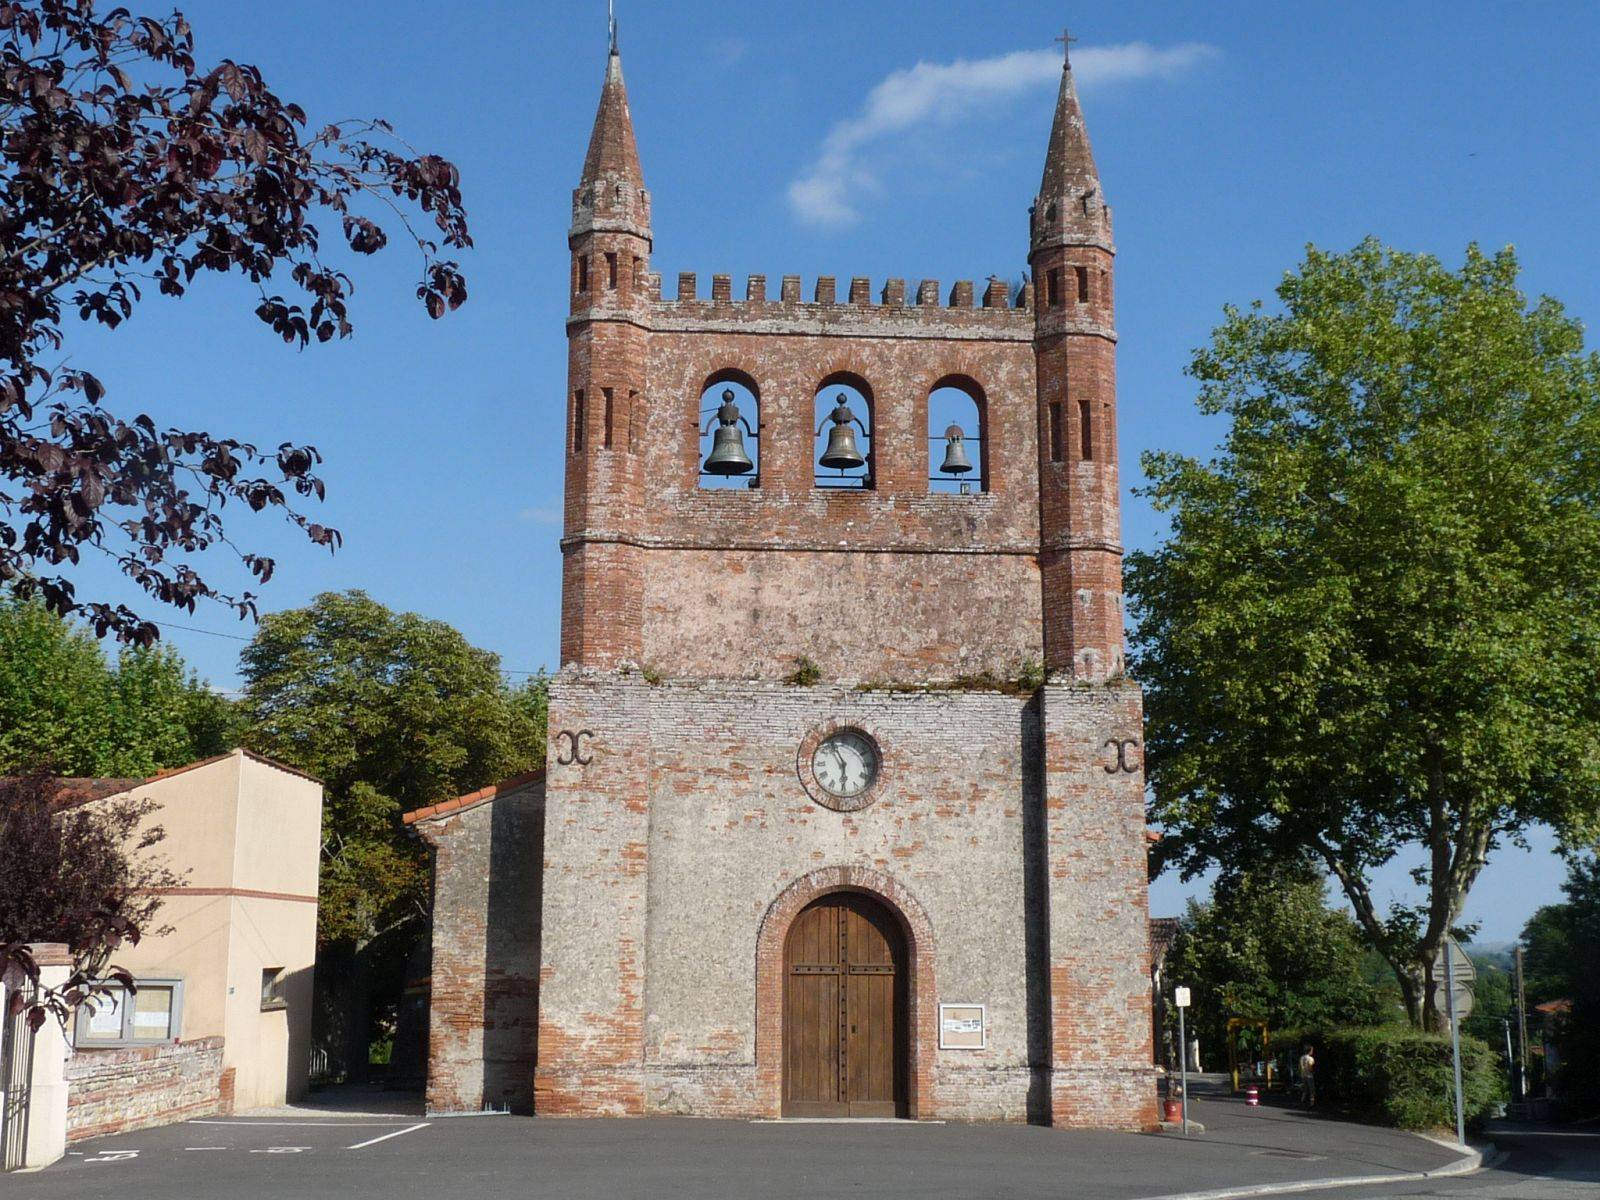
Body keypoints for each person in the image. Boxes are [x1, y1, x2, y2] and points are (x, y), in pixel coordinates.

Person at [1298, 1044, 1317, 1109]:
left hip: (1303, 1075)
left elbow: (1299, 1066)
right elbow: (1310, 1066)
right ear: (1309, 1051)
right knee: (1312, 1090)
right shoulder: (1310, 1058)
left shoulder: (1301, 1057)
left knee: (1305, 1089)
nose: (1312, 1051)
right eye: (1312, 1050)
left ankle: (1302, 1101)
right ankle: (1312, 1103)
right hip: (1309, 1075)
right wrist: (1312, 1071)